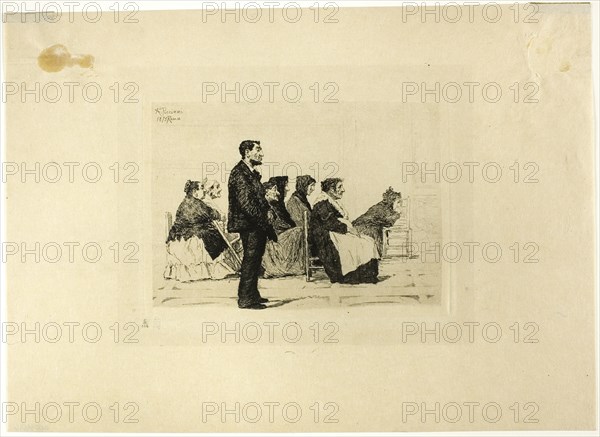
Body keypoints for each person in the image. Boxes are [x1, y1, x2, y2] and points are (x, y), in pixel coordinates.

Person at [227, 140, 277, 310]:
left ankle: (253, 294)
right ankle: (246, 299)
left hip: (255, 224)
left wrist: (268, 209)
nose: (261, 153)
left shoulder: (249, 172)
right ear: (247, 152)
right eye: (258, 150)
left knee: (255, 260)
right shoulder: (240, 173)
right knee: (251, 260)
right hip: (249, 225)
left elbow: (257, 199)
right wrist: (264, 218)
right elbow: (246, 204)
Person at [310, 178, 379, 284]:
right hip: (325, 238)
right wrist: (348, 229)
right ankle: (352, 275)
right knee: (358, 244)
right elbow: (329, 223)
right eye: (339, 187)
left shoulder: (331, 201)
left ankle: (366, 274)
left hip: (336, 234)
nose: (343, 190)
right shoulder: (322, 202)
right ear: (331, 190)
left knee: (367, 241)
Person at [164, 180, 234, 282]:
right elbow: (211, 213)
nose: (204, 191)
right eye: (201, 188)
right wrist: (220, 215)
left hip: (180, 236)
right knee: (213, 236)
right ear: (194, 191)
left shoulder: (187, 201)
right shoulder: (195, 203)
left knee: (211, 234)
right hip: (188, 238)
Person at [261, 181, 305, 278]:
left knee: (298, 231)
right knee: (298, 232)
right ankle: (285, 267)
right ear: (266, 191)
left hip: (276, 236)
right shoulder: (264, 207)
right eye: (274, 190)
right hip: (270, 240)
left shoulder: (271, 207)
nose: (278, 193)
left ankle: (293, 266)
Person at [353, 187, 403, 256]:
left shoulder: (385, 207)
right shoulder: (382, 208)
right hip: (363, 227)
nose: (400, 205)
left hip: (368, 226)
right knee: (375, 240)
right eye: (398, 202)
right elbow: (388, 222)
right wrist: (398, 214)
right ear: (392, 201)